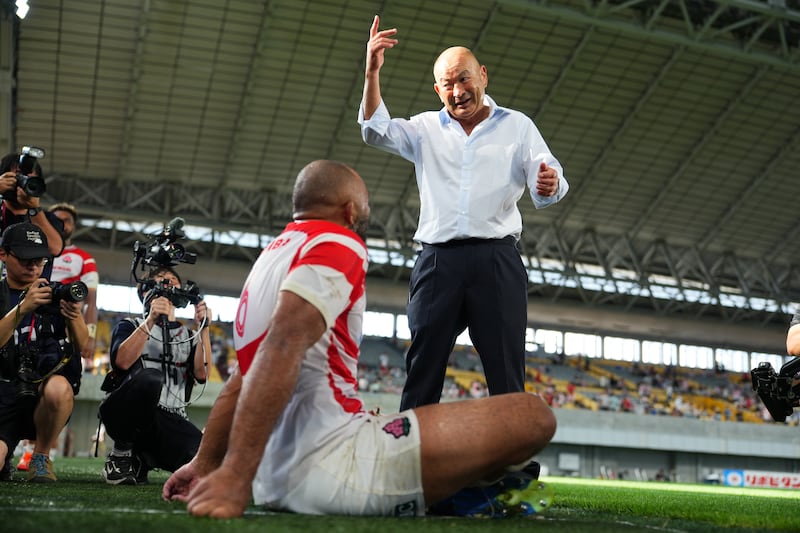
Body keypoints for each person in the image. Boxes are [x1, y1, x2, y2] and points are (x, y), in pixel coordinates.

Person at [162, 160, 556, 518]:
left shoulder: (276, 253)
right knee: (533, 416)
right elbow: (281, 347)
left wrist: (204, 464)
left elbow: (241, 378)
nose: (367, 214)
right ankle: (464, 500)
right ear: (350, 209)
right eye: (365, 205)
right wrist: (234, 476)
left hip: (276, 478)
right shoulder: (337, 241)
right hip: (336, 466)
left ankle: (457, 494)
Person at [358, 16, 569, 411]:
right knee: (423, 368)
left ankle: (511, 469)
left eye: (465, 79)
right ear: (437, 89)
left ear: (483, 76)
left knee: (506, 371)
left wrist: (550, 184)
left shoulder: (518, 126)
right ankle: (412, 460)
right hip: (438, 261)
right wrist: (372, 72)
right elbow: (374, 130)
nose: (458, 91)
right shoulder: (424, 129)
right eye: (448, 84)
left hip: (497, 260)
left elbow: (550, 173)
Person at [98, 265, 211, 485]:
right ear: (144, 292)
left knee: (206, 462)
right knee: (150, 379)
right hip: (126, 415)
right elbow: (121, 362)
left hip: (170, 421)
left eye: (172, 279)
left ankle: (141, 460)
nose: (168, 283)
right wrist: (150, 319)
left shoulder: (189, 335)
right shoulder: (129, 325)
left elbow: (202, 374)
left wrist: (204, 327)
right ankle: (120, 455)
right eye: (161, 279)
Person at [0, 222, 87, 482]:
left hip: (39, 393)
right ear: (3, 254)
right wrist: (23, 308)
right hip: (3, 394)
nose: (33, 267)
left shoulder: (53, 293)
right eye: (26, 259)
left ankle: (41, 456)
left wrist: (74, 317)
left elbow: (82, 347)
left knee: (59, 388)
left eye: (39, 261)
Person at [47, 203, 99, 370]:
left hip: (67, 322)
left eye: (66, 220)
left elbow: (91, 302)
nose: (62, 223)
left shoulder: (85, 258)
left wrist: (90, 335)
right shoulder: (34, 252)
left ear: (74, 226)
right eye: (56, 220)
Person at [0, 153, 64, 262]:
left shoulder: (48, 218)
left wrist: (34, 209)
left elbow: (55, 249)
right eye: (18, 178)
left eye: (29, 180)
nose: (22, 184)